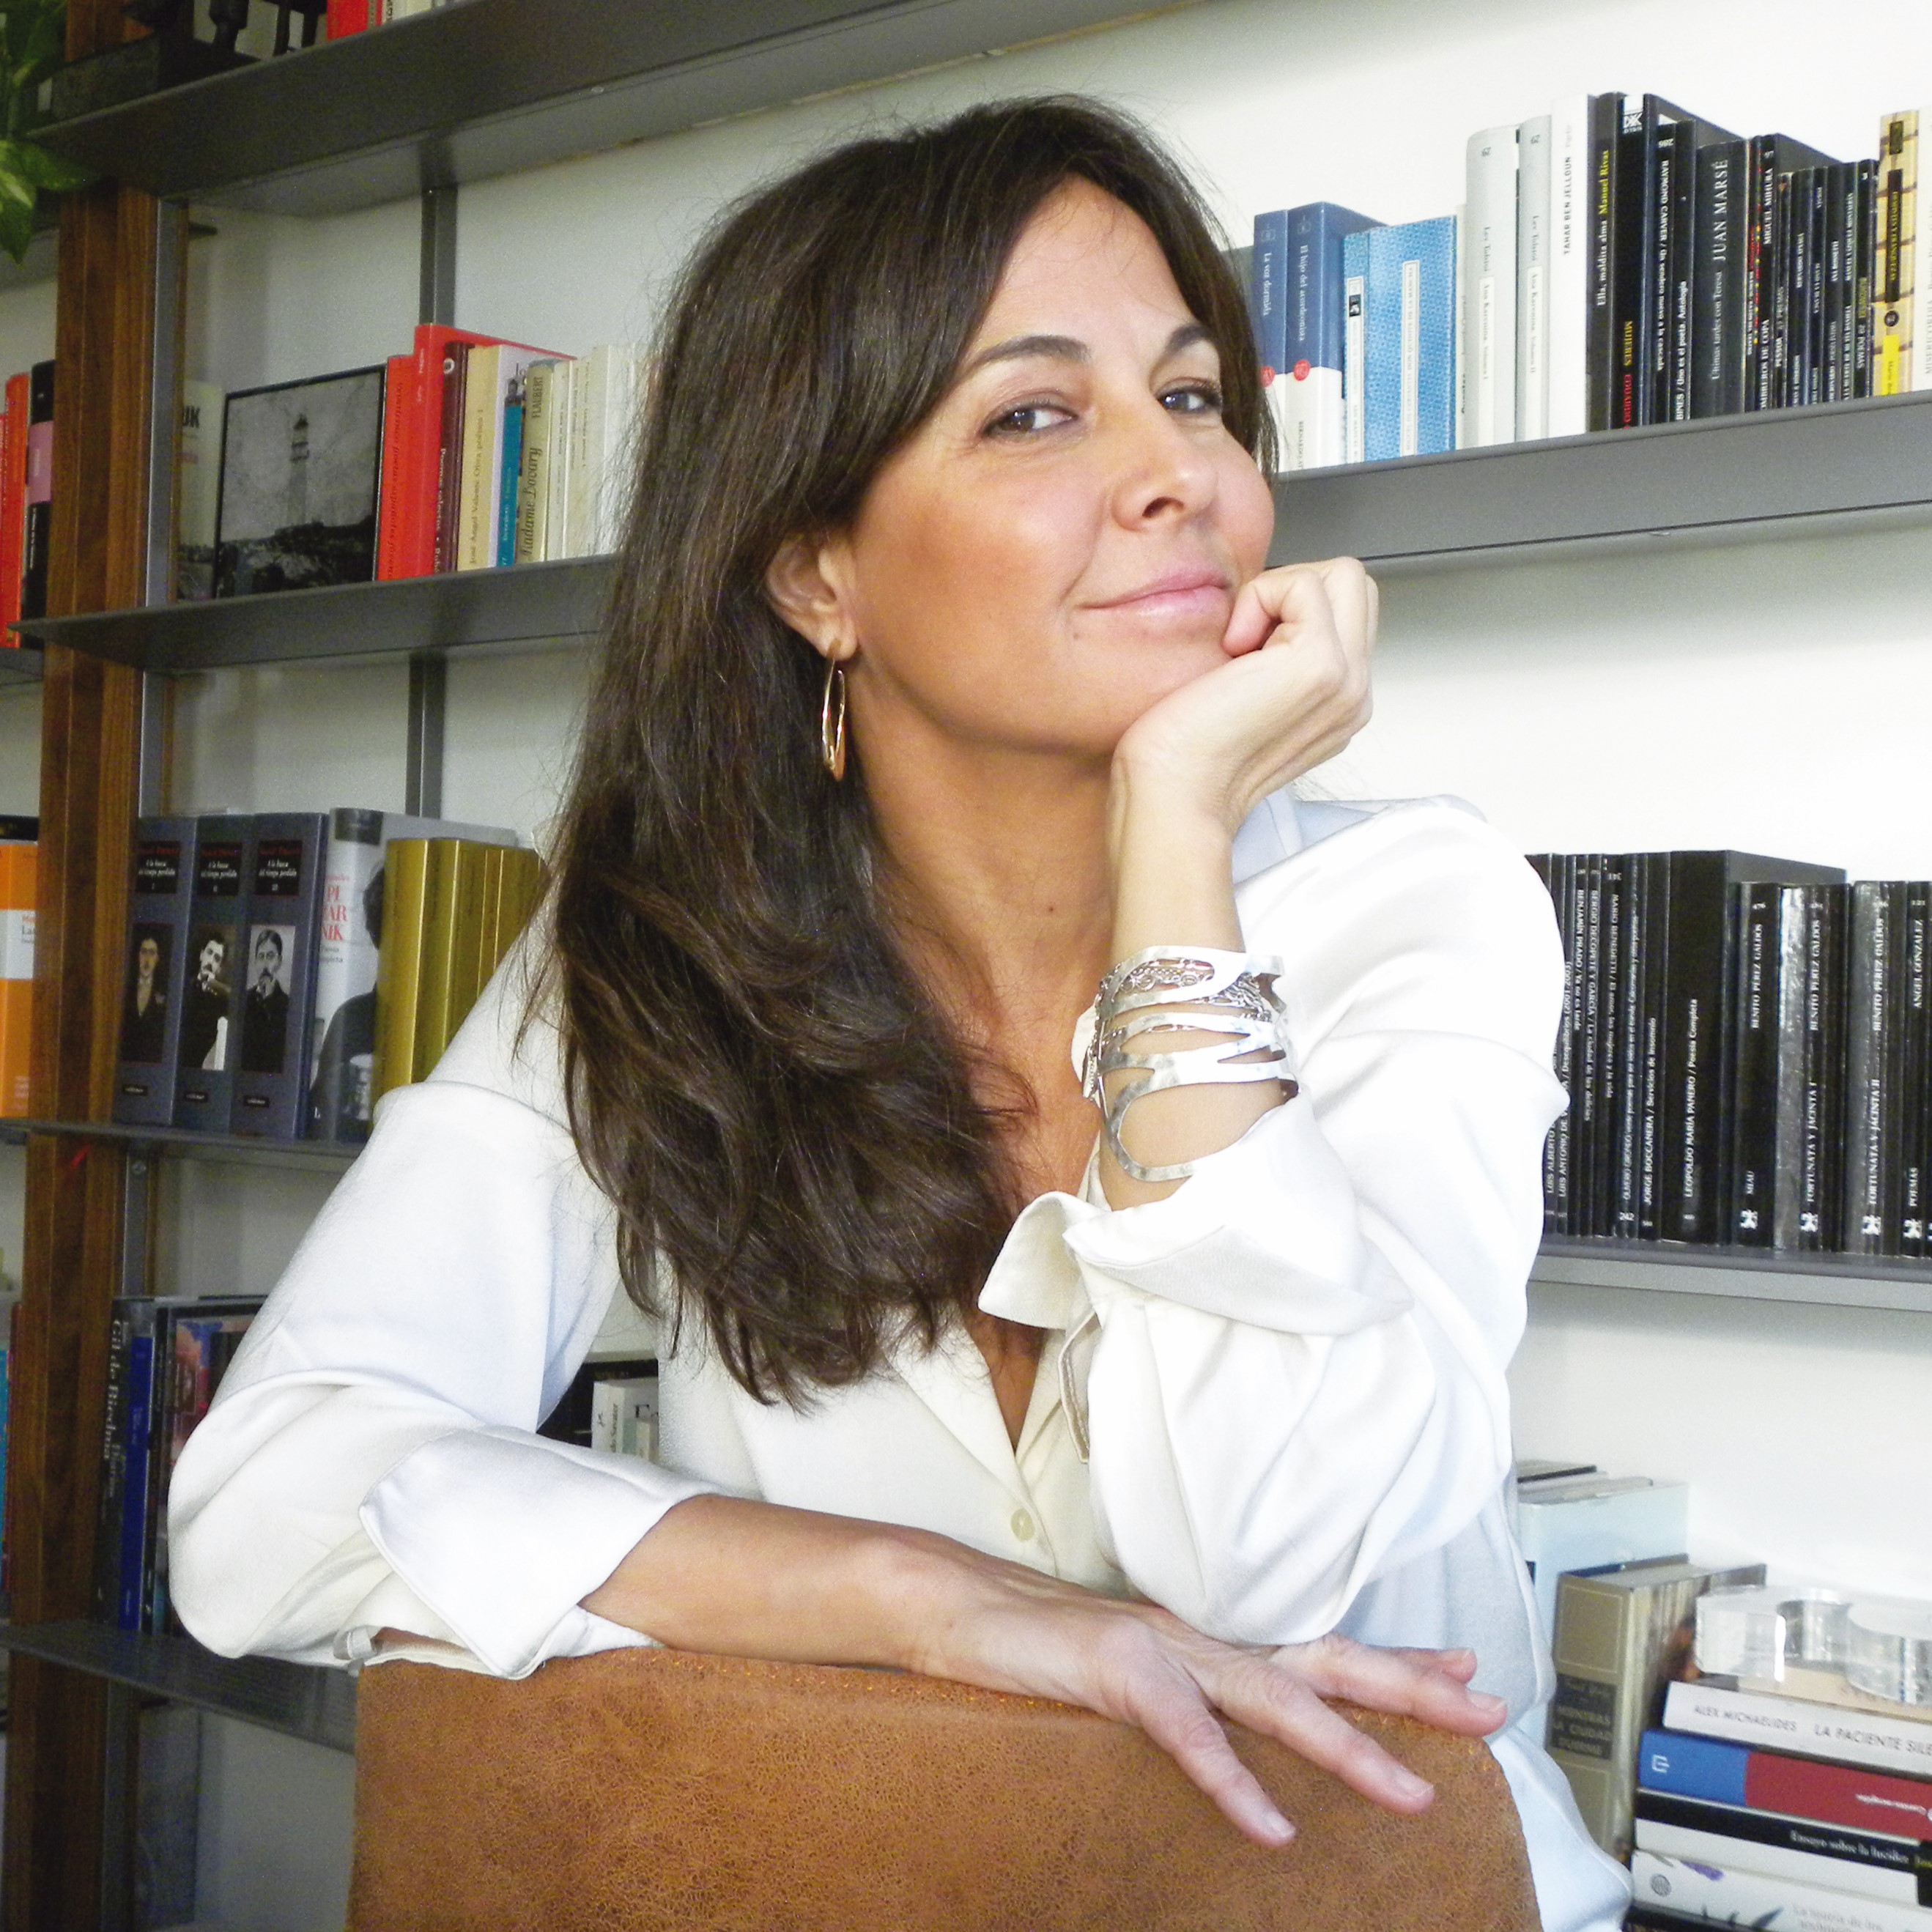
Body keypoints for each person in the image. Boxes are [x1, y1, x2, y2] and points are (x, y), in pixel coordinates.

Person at [170, 98, 1628, 1927]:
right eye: (1032, 414)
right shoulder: (653, 957)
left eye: (1190, 395)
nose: (1176, 473)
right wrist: (920, 1596)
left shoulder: (1413, 905)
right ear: (815, 574)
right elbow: (260, 1505)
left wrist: (1173, 833)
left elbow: (1265, 1550)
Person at [240, 925, 290, 1074]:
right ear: (255, 961)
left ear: (279, 961)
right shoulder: (244, 999)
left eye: (270, 956)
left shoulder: (288, 1004)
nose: (265, 965)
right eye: (261, 957)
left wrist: (269, 1000)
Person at [120, 930, 169, 1064]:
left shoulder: (163, 990)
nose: (147, 959)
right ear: (138, 956)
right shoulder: (125, 986)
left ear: (157, 958)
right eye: (144, 952)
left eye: (152, 953)